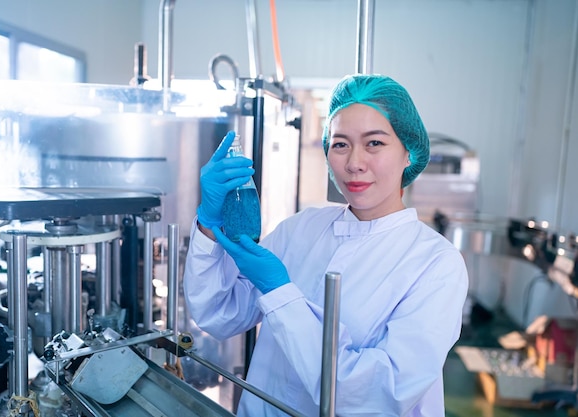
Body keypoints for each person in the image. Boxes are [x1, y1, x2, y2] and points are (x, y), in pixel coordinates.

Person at [183, 74, 469, 416]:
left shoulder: (436, 264)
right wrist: (208, 225)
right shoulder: (301, 228)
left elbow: (379, 395)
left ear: (409, 152)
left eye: (374, 143)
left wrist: (281, 293)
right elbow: (219, 314)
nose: (354, 163)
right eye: (340, 144)